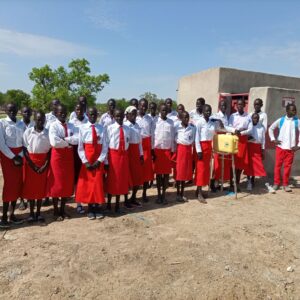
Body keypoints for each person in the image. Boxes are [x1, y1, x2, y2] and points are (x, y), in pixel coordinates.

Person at [195, 104, 234, 202]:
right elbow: (196, 138)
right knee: (200, 170)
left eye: (209, 111)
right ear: (203, 111)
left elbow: (223, 128)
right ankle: (199, 193)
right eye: (206, 111)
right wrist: (199, 151)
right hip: (201, 148)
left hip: (209, 148)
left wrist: (234, 130)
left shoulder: (212, 123)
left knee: (206, 171)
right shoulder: (199, 123)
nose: (208, 112)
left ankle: (198, 190)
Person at [76, 107, 108, 220]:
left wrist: (100, 160)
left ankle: (97, 207)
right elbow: (80, 148)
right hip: (88, 161)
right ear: (87, 115)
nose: (93, 116)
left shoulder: (102, 128)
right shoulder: (82, 128)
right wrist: (85, 162)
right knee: (89, 185)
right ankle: (90, 208)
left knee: (97, 184)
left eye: (95, 114)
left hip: (98, 160)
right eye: (90, 114)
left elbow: (105, 147)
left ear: (97, 115)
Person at [47, 104, 78, 221]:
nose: (63, 114)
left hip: (68, 158)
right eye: (60, 112)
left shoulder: (71, 125)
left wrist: (64, 140)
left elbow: (77, 139)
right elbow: (54, 142)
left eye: (65, 112)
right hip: (57, 157)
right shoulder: (53, 126)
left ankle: (63, 210)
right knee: (56, 183)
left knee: (66, 183)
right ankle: (56, 210)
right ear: (56, 113)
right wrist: (68, 142)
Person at [22, 111, 51, 222]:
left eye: (42, 119)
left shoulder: (48, 133)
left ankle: (38, 213)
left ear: (45, 120)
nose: (40, 121)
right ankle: (31, 213)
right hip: (31, 163)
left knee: (40, 189)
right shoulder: (28, 132)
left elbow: (50, 151)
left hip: (43, 162)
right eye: (38, 119)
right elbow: (24, 149)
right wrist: (31, 164)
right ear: (34, 119)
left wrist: (45, 165)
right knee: (31, 189)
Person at [0, 103, 24, 228]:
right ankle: (3, 217)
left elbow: (24, 142)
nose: (12, 112)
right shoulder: (2, 123)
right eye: (9, 110)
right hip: (7, 157)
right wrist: (13, 157)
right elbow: (1, 143)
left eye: (14, 109)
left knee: (18, 184)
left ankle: (12, 215)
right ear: (5, 110)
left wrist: (20, 156)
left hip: (20, 156)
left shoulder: (21, 123)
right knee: (9, 185)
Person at [268, 103, 300, 192]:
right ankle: (276, 183)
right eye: (292, 110)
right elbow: (271, 129)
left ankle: (285, 184)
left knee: (287, 167)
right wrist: (273, 139)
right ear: (287, 111)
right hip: (280, 148)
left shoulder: (297, 121)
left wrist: (298, 145)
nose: (294, 111)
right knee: (277, 166)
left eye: (295, 110)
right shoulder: (281, 120)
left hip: (290, 149)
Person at [105, 109, 131, 214]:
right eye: (117, 116)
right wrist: (106, 161)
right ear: (114, 117)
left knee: (121, 181)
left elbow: (128, 142)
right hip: (113, 156)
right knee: (112, 180)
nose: (119, 118)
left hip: (123, 156)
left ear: (124, 116)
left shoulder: (127, 129)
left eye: (121, 116)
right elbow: (106, 145)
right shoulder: (110, 128)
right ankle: (108, 204)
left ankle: (117, 205)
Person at [152, 104, 175, 204]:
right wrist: (152, 149)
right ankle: (158, 194)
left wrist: (173, 150)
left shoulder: (171, 122)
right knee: (158, 175)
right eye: (162, 110)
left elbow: (173, 136)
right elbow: (153, 136)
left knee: (166, 175)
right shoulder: (155, 122)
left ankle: (164, 195)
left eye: (165, 110)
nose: (164, 112)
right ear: (159, 111)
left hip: (167, 150)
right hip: (158, 150)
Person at [69, 103, 89, 214]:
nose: (79, 111)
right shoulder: (71, 123)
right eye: (77, 109)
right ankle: (79, 202)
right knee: (77, 177)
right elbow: (71, 139)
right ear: (74, 110)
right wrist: (76, 139)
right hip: (75, 153)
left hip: (87, 151)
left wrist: (75, 139)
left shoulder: (88, 121)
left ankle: (89, 200)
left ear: (84, 110)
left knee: (87, 176)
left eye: (81, 109)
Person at [229, 99, 252, 189]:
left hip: (242, 140)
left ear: (244, 105)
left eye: (241, 104)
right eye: (238, 104)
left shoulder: (248, 116)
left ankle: (237, 182)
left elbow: (250, 129)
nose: (239, 106)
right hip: (234, 139)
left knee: (240, 162)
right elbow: (229, 126)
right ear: (236, 106)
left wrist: (241, 133)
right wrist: (234, 130)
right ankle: (231, 183)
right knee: (233, 162)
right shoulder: (232, 116)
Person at [124, 106, 144, 207]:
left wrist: (141, 154)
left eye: (135, 113)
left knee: (137, 177)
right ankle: (126, 200)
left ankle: (133, 198)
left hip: (136, 152)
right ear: (127, 114)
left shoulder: (137, 126)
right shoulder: (125, 125)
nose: (134, 115)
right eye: (132, 113)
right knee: (127, 177)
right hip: (128, 152)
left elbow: (140, 142)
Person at [136, 98, 155, 202]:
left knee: (146, 171)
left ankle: (144, 193)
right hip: (137, 144)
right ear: (138, 106)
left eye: (145, 106)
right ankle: (133, 194)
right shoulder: (134, 117)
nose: (143, 107)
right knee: (136, 168)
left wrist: (152, 149)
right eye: (141, 105)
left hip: (147, 145)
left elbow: (152, 134)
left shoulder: (150, 119)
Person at [174, 111, 195, 202]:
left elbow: (193, 140)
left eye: (188, 117)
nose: (186, 119)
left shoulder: (192, 128)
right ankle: (178, 193)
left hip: (188, 151)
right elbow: (174, 138)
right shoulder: (177, 128)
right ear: (181, 118)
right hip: (180, 151)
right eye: (184, 117)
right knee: (179, 172)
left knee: (185, 173)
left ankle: (182, 193)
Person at [244, 113, 266, 191]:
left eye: (257, 118)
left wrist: (263, 150)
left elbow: (263, 139)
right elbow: (244, 136)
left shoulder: (261, 127)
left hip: (257, 148)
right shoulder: (249, 126)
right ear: (251, 118)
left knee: (256, 165)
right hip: (249, 147)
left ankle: (253, 179)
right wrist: (249, 138)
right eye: (254, 118)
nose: (255, 120)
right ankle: (249, 181)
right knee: (249, 165)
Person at [212, 100, 231, 190]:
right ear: (219, 106)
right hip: (218, 139)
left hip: (225, 139)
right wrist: (218, 120)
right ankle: (214, 182)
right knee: (217, 162)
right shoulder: (216, 115)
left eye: (225, 105)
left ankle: (220, 182)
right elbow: (210, 118)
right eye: (222, 105)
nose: (223, 107)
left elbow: (227, 128)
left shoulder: (227, 116)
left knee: (223, 161)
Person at [19, 106, 35, 210]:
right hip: (20, 154)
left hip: (31, 154)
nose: (27, 114)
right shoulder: (18, 124)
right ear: (21, 113)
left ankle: (29, 199)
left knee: (30, 178)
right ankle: (21, 200)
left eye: (28, 112)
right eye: (25, 112)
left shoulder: (34, 124)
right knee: (21, 178)